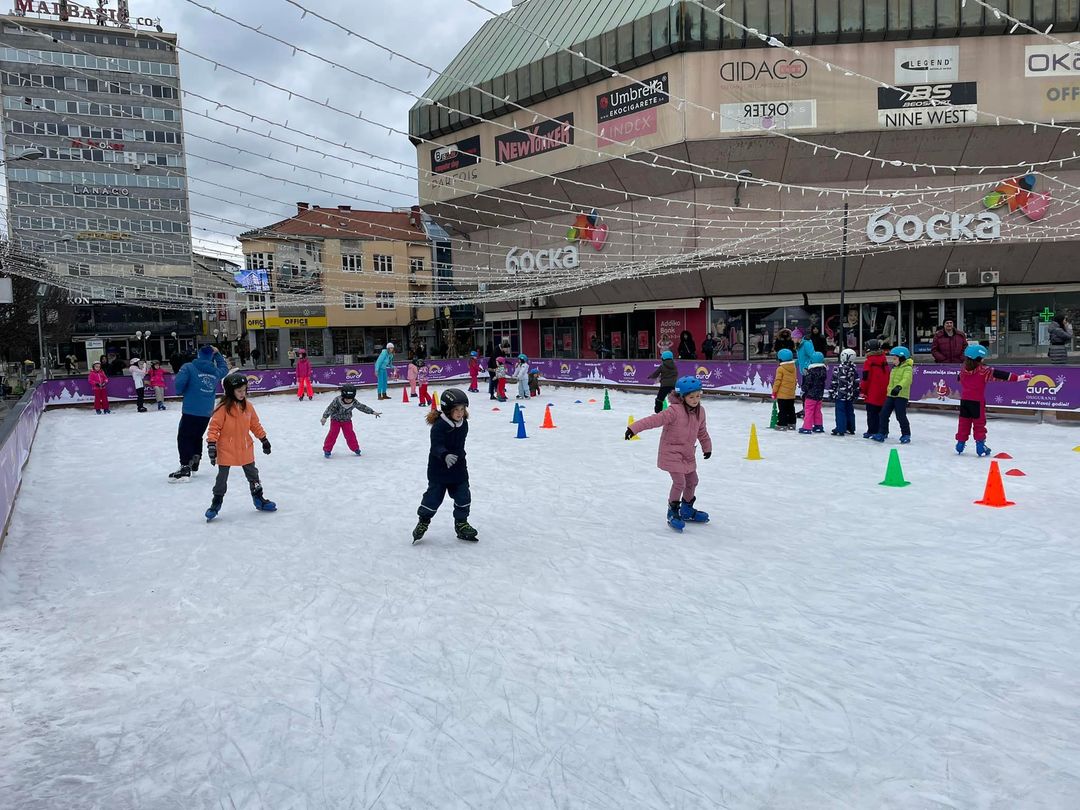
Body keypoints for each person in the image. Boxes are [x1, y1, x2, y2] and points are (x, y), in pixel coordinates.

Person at [624, 376, 712, 532]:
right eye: (691, 397)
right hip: (671, 452)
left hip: (687, 453)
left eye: (698, 395)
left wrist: (707, 447)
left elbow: (702, 431)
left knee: (693, 480)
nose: (695, 400)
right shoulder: (674, 411)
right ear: (682, 397)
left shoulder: (701, 411)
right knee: (680, 483)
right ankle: (672, 511)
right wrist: (634, 428)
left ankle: (686, 510)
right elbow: (654, 420)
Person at [204, 373, 275, 521]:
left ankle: (258, 499)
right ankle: (216, 503)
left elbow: (254, 425)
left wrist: (264, 439)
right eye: (239, 391)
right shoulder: (222, 408)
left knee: (253, 475)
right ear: (230, 391)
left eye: (244, 390)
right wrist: (212, 445)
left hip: (245, 447)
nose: (243, 394)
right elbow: (214, 428)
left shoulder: (248, 406)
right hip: (226, 449)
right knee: (221, 479)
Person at [411, 388, 478, 543]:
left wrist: (458, 457)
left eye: (462, 409)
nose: (460, 413)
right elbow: (436, 446)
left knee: (463, 496)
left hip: (458, 468)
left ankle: (461, 523)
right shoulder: (439, 426)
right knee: (433, 498)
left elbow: (459, 444)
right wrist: (445, 454)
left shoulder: (463, 424)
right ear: (447, 410)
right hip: (439, 469)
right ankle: (423, 521)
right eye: (456, 410)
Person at [955, 345, 1031, 456]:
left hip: (965, 401)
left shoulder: (963, 371)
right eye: (983, 358)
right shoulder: (985, 371)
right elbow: (1003, 375)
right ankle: (980, 446)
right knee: (979, 424)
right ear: (979, 358)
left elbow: (958, 379)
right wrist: (1020, 377)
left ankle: (960, 444)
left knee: (963, 423)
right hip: (977, 402)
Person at [169, 345, 230, 480]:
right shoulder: (215, 371)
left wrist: (182, 392)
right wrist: (218, 353)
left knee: (184, 437)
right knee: (197, 435)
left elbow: (179, 384)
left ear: (198, 355)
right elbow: (225, 368)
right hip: (206, 411)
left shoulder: (188, 367)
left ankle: (185, 465)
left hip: (191, 409)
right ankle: (195, 459)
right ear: (211, 357)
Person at [321, 383, 380, 458]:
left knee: (350, 435)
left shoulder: (354, 402)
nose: (349, 401)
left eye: (350, 399)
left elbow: (362, 407)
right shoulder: (337, 400)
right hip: (335, 420)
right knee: (333, 434)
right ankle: (327, 450)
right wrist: (324, 417)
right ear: (343, 396)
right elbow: (330, 409)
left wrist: (373, 412)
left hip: (347, 421)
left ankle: (355, 448)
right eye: (347, 399)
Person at [871, 347, 914, 444]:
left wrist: (899, 387)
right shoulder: (895, 368)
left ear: (902, 358)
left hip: (901, 396)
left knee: (900, 415)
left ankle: (906, 434)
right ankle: (882, 432)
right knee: (883, 414)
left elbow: (907, 380)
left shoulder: (907, 368)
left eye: (895, 359)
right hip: (891, 395)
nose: (893, 361)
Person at [860, 339, 890, 438]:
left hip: (873, 392)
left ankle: (872, 431)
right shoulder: (884, 359)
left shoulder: (868, 362)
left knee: (872, 413)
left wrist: (862, 390)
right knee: (882, 413)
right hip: (884, 391)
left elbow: (866, 378)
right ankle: (883, 431)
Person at [829, 348, 859, 436]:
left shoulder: (838, 369)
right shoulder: (854, 369)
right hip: (850, 395)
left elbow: (834, 382)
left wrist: (831, 393)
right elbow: (856, 383)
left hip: (840, 395)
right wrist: (856, 394)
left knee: (840, 411)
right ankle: (851, 428)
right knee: (850, 411)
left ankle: (840, 428)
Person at [798, 352, 827, 434]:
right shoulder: (823, 371)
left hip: (811, 395)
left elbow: (808, 383)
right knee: (817, 410)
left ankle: (807, 427)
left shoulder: (811, 372)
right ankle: (818, 426)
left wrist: (803, 389)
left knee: (809, 411)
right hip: (819, 395)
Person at [772, 349, 797, 430]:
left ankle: (782, 424)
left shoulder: (780, 369)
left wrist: (774, 391)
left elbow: (777, 381)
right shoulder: (793, 367)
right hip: (791, 394)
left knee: (782, 410)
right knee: (791, 409)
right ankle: (792, 423)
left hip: (782, 395)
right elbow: (795, 380)